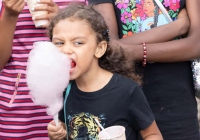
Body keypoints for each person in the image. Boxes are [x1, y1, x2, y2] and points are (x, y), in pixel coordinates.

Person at [47, 4, 163, 140]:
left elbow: (152, 134)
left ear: (99, 49)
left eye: (78, 43)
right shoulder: (65, 91)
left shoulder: (127, 91)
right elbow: (67, 130)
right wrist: (56, 135)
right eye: (59, 43)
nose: (66, 50)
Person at [88, 0, 200, 140]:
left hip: (177, 108)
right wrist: (178, 27)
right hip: (125, 106)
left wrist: (129, 51)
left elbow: (196, 45)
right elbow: (107, 48)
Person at [0, 0, 86, 139]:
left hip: (71, 104)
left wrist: (63, 21)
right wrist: (9, 15)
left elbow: (91, 46)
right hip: (19, 112)